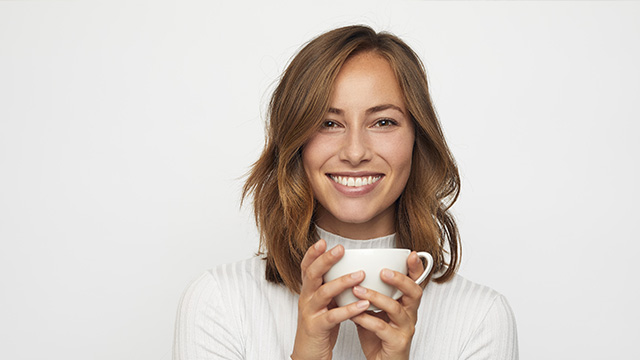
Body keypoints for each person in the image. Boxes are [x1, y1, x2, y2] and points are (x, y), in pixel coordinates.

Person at [173, 25, 518, 360]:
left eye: (383, 122)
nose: (355, 153)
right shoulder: (219, 301)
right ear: (296, 143)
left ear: (417, 139)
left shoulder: (481, 318)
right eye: (329, 123)